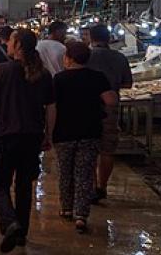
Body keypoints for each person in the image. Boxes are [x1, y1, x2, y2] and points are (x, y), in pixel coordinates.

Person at [0, 29, 56, 252]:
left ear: (18, 45)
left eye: (11, 41)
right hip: (32, 138)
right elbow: (51, 109)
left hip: (7, 136)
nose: (8, 45)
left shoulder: (2, 71)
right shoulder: (44, 75)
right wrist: (48, 134)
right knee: (24, 186)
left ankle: (10, 223)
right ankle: (21, 232)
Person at [53, 42, 117, 233]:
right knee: (84, 173)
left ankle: (66, 208)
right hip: (90, 131)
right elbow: (110, 100)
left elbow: (52, 107)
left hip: (64, 132)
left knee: (65, 172)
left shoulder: (59, 79)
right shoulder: (97, 77)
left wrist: (47, 132)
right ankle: (81, 215)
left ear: (69, 58)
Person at [86, 24, 133, 202]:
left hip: (88, 108)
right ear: (109, 38)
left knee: (89, 149)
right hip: (110, 108)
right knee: (107, 150)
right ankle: (102, 187)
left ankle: (90, 187)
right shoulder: (119, 57)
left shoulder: (86, 56)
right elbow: (128, 84)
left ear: (91, 38)